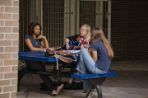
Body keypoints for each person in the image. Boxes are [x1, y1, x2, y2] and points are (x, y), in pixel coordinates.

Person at [25, 22, 64, 96]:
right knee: (42, 71)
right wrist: (42, 49)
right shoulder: (27, 37)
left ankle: (54, 88)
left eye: (39, 29)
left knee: (44, 72)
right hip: (31, 61)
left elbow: (47, 48)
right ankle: (54, 88)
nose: (38, 30)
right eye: (36, 29)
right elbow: (32, 49)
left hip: (39, 61)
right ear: (32, 29)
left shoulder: (39, 39)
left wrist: (44, 38)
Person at [76, 27, 114, 96]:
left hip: (98, 70)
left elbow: (95, 59)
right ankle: (88, 92)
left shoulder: (95, 43)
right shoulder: (105, 43)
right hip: (105, 70)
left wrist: (87, 55)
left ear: (93, 34)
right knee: (86, 64)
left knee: (82, 49)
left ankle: (81, 70)